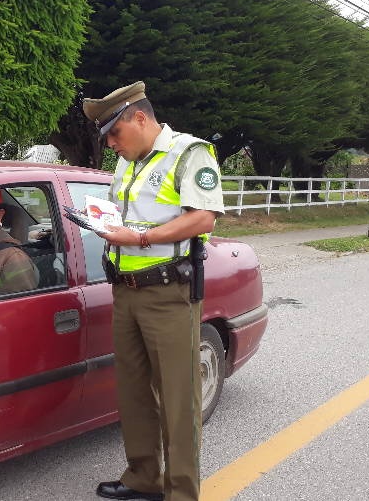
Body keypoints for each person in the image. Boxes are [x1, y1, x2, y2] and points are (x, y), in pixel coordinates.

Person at [82, 81, 224, 501]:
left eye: (114, 134)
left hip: (168, 293)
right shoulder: (129, 161)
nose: (111, 145)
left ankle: (181, 492)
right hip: (126, 290)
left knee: (179, 400)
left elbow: (204, 219)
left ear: (140, 118)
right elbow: (126, 215)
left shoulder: (190, 153)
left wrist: (140, 239)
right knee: (133, 390)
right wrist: (100, 223)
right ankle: (143, 477)